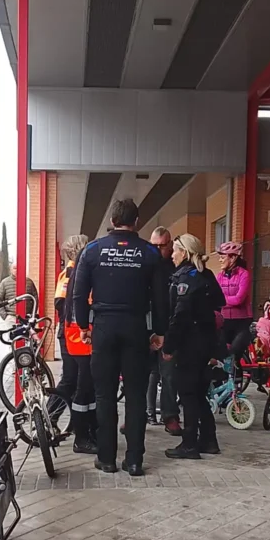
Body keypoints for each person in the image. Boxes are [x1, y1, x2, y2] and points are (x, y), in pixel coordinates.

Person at [72, 198, 166, 476]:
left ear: (112, 221)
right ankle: (135, 460)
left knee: (104, 395)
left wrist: (83, 327)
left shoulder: (92, 251)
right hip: (136, 328)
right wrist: (160, 331)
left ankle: (107, 458)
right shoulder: (150, 253)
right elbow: (161, 298)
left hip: (103, 328)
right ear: (136, 222)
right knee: (136, 395)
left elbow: (78, 294)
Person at [162, 235, 225, 460]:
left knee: (188, 393)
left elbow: (180, 316)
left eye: (176, 250)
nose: (172, 254)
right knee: (199, 393)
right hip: (207, 342)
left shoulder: (185, 280)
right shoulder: (206, 275)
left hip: (190, 344)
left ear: (185, 253)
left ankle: (189, 443)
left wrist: (168, 346)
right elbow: (219, 303)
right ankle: (209, 439)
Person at [54, 235, 97, 454]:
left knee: (75, 382)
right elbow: (62, 303)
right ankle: (51, 417)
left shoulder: (75, 271)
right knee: (74, 381)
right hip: (74, 335)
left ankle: (60, 421)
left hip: (76, 334)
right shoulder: (72, 272)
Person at [147, 226, 181, 435]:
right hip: (146, 328)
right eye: (155, 246)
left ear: (170, 245)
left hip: (168, 327)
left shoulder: (175, 268)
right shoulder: (144, 265)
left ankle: (170, 416)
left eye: (162, 246)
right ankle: (140, 414)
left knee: (169, 374)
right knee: (142, 374)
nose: (159, 250)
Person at [216, 241, 253, 346]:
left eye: (222, 258)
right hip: (224, 320)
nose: (220, 260)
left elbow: (239, 299)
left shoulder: (244, 274)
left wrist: (222, 299)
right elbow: (216, 298)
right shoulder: (219, 276)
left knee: (234, 352)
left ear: (232, 258)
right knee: (224, 354)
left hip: (242, 321)